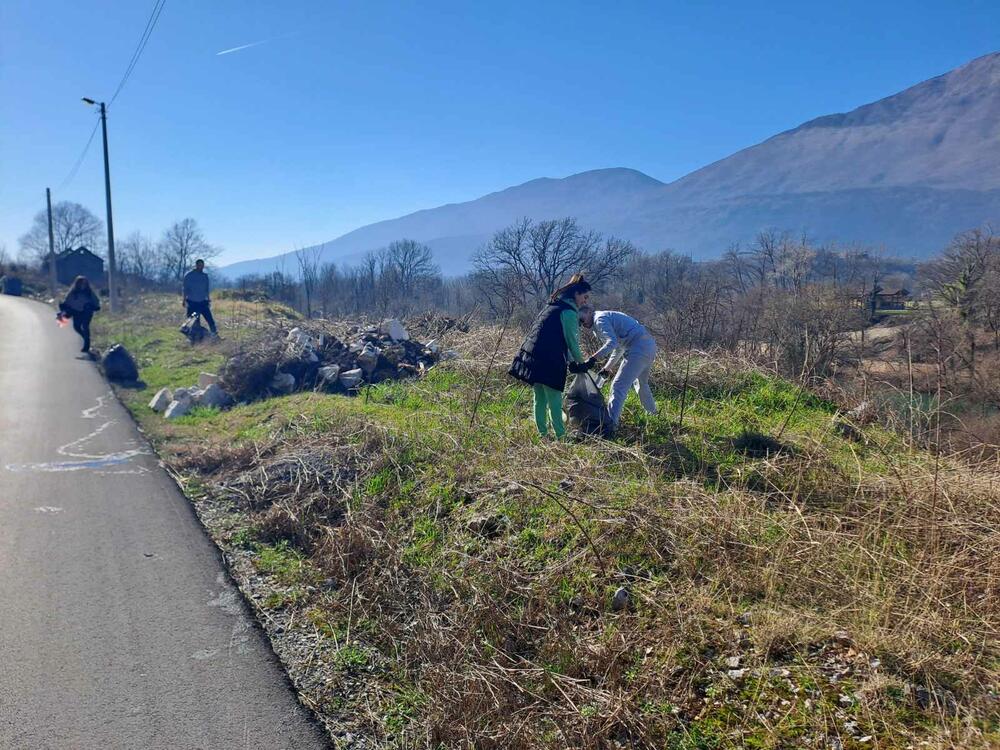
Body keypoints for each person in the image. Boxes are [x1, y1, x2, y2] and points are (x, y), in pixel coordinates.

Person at [509, 274, 595, 438]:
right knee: (555, 399)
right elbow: (572, 342)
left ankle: (542, 435)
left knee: (539, 397)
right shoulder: (569, 313)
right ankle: (561, 437)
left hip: (533, 355)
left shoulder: (553, 305)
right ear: (576, 294)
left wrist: (571, 360)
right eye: (585, 297)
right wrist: (581, 363)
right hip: (549, 359)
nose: (586, 301)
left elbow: (557, 336)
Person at [579, 306, 657, 429]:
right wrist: (606, 368)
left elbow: (612, 343)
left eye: (582, 320)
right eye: (579, 323)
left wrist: (592, 359)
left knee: (618, 386)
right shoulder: (602, 318)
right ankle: (653, 414)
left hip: (638, 348)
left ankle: (611, 425)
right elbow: (619, 348)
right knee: (642, 383)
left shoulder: (599, 319)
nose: (582, 324)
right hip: (648, 346)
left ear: (589, 312)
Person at [60, 275, 101, 353]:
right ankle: (85, 338)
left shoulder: (89, 292)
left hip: (87, 311)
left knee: (85, 326)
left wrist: (95, 306)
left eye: (84, 284)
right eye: (81, 284)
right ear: (77, 284)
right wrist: (64, 307)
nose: (83, 285)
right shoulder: (73, 292)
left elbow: (96, 300)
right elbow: (68, 300)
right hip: (76, 311)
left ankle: (87, 345)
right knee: (76, 326)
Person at [182, 259, 218, 336]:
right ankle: (196, 339)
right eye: (199, 265)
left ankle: (215, 335)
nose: (201, 267)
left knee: (210, 320)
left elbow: (206, 289)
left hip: (203, 302)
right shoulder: (189, 276)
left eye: (202, 265)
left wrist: (208, 300)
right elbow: (185, 289)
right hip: (192, 302)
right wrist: (184, 300)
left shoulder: (205, 276)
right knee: (194, 322)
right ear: (196, 265)